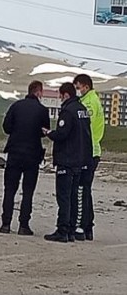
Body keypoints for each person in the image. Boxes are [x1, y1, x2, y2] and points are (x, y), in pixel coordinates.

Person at [43, 82, 92, 243]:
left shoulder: (68, 111)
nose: (59, 98)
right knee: (74, 196)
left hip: (67, 159)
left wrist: (50, 133)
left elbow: (63, 134)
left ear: (65, 95)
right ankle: (71, 229)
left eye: (60, 95)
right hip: (79, 159)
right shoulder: (82, 110)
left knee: (64, 196)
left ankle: (62, 229)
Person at [0, 81, 50, 235]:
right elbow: (44, 131)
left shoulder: (16, 106)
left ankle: (5, 224)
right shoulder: (42, 110)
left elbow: (6, 127)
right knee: (28, 191)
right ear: (39, 92)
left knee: (9, 189)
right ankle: (23, 225)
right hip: (32, 154)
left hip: (14, 152)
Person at [74, 74, 105, 241]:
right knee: (85, 191)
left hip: (87, 152)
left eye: (78, 87)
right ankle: (88, 226)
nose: (77, 90)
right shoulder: (93, 100)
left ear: (85, 86)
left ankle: (83, 226)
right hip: (92, 150)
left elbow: (85, 129)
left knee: (82, 191)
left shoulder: (89, 103)